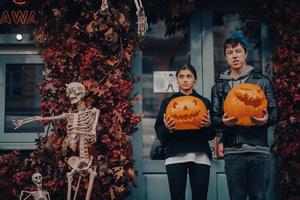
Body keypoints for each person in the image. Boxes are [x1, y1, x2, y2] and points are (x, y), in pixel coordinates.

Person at [211, 32, 278, 200]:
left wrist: (266, 120)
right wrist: (224, 123)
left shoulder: (262, 81)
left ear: (246, 54)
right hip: (233, 151)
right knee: (237, 197)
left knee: (258, 197)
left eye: (238, 51)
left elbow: (275, 111)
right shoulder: (219, 87)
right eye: (229, 52)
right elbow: (215, 118)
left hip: (258, 150)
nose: (234, 55)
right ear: (226, 57)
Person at [155, 64, 216, 200]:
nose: (185, 80)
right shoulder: (168, 102)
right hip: (175, 154)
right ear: (176, 79)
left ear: (195, 79)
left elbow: (212, 135)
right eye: (181, 76)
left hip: (200, 155)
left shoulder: (204, 102)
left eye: (189, 76)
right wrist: (167, 128)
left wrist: (208, 125)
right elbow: (160, 133)